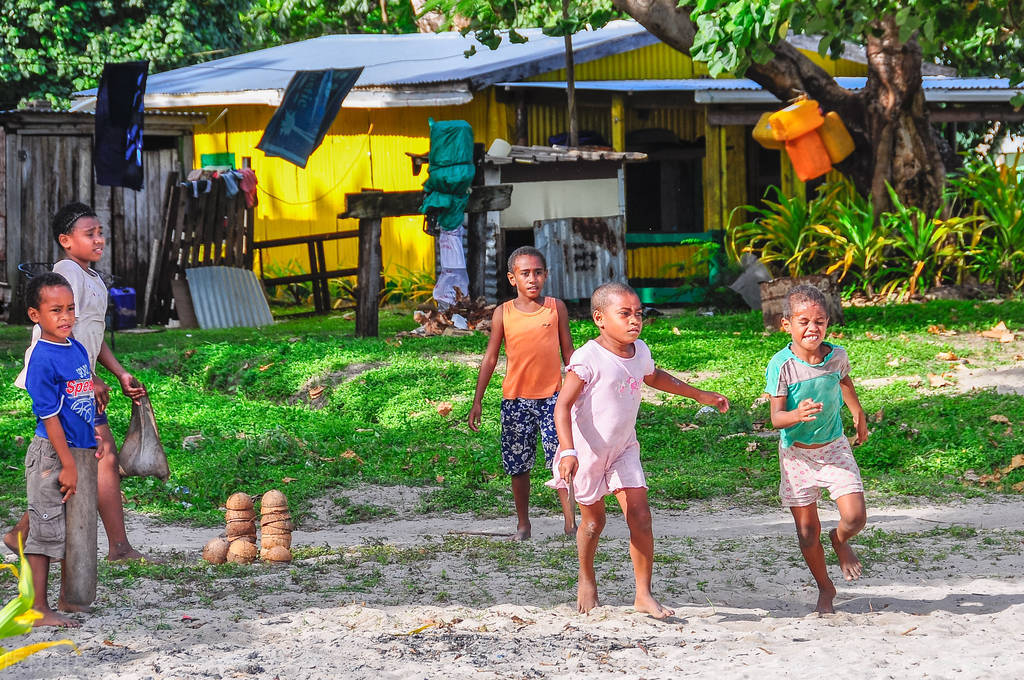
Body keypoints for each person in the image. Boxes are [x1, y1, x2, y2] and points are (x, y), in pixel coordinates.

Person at [549, 282, 730, 617]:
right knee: (593, 523)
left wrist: (699, 394)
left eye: (639, 314)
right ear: (600, 319)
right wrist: (568, 451)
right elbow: (561, 408)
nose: (635, 321)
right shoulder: (587, 357)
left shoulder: (640, 351)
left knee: (641, 517)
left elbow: (654, 376)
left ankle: (643, 594)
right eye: (625, 314)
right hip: (587, 452)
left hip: (622, 449)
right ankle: (586, 577)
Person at [6, 202, 149, 564]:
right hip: (60, 378)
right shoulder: (66, 272)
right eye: (91, 234)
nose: (99, 239)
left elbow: (91, 336)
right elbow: (60, 333)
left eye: (101, 233)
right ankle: (118, 547)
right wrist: (90, 377)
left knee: (85, 456)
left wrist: (118, 372)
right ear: (66, 241)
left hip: (77, 378)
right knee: (99, 453)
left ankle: (20, 534)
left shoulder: (92, 277)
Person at [765, 284, 868, 614]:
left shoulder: (836, 356)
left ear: (828, 323)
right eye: (803, 321)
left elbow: (844, 382)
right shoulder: (782, 366)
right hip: (797, 454)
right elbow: (776, 418)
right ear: (787, 325)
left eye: (819, 321)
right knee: (808, 532)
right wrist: (795, 415)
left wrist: (858, 413)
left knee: (855, 517)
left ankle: (839, 540)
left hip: (834, 446)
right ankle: (826, 587)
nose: (812, 328)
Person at [468, 246, 576, 540]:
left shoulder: (556, 308)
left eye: (538, 272)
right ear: (512, 278)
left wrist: (579, 392)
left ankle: (570, 523)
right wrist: (477, 401)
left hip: (554, 400)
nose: (532, 279)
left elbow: (569, 353)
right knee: (518, 467)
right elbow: (491, 357)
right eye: (525, 273)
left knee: (561, 460)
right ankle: (523, 524)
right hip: (515, 401)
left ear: (546, 275)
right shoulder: (503, 312)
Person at [20, 273, 101, 627]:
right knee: (44, 532)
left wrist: (92, 438)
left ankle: (68, 599)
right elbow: (50, 417)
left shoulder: (77, 348)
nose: (66, 316)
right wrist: (68, 464)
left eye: (70, 308)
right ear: (35, 315)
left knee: (74, 529)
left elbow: (80, 401)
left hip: (77, 450)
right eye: (56, 310)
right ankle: (37, 607)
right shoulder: (41, 358)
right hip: (52, 456)